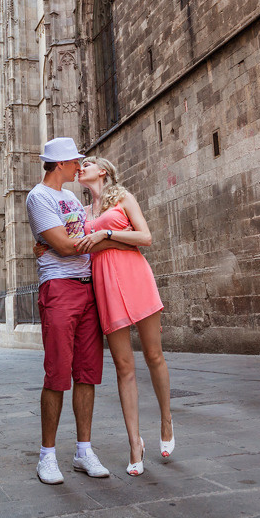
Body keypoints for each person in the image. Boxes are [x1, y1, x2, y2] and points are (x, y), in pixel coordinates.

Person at [25, 137, 133, 485]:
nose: (78, 166)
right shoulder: (39, 197)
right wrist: (104, 241)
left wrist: (97, 237)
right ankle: (47, 456)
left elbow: (82, 234)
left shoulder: (71, 198)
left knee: (87, 373)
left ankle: (83, 451)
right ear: (59, 164)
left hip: (88, 288)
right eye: (74, 162)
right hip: (59, 287)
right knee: (57, 373)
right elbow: (64, 245)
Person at [74, 156, 174, 476]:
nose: (81, 167)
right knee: (123, 367)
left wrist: (105, 236)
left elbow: (145, 238)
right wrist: (115, 239)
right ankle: (134, 443)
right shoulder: (82, 212)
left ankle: (166, 420)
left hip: (135, 277)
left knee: (154, 355)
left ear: (103, 171)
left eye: (88, 163)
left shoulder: (123, 197)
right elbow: (82, 249)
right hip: (106, 286)